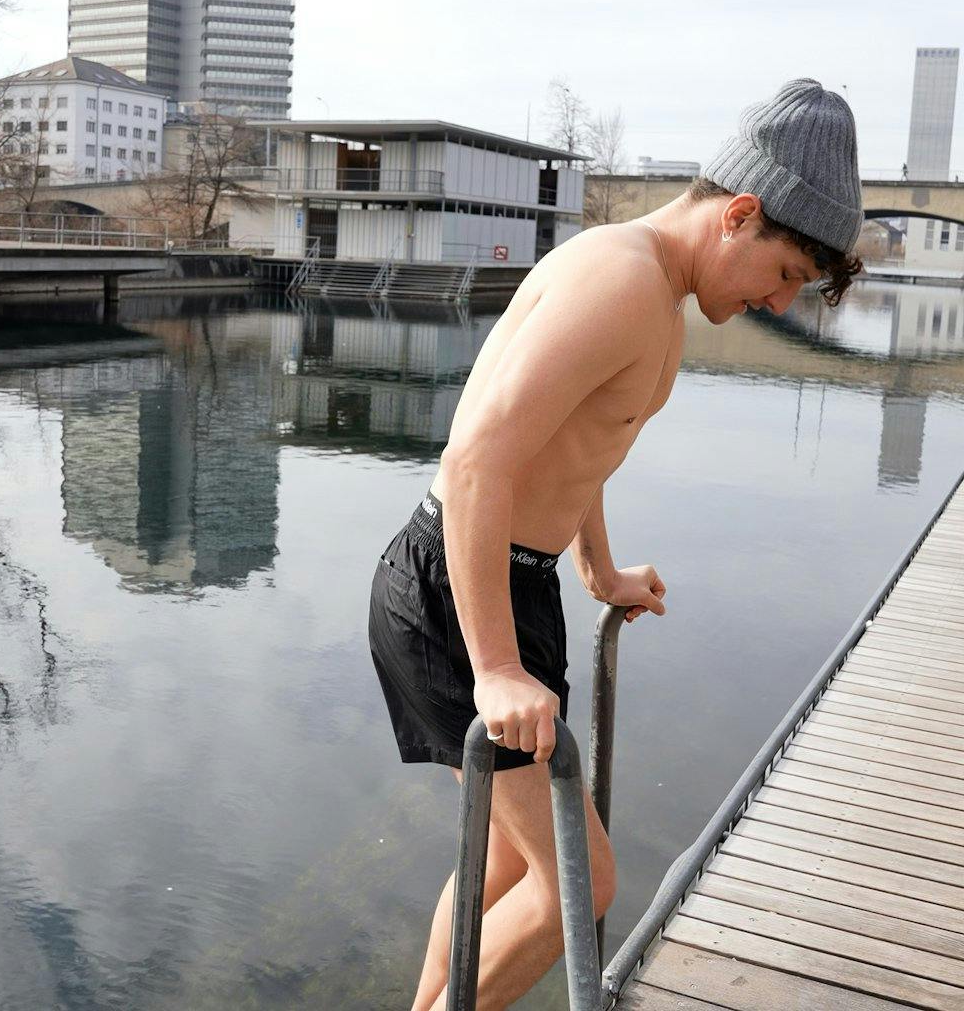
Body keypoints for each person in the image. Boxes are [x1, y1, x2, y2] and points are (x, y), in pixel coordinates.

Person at [366, 78, 863, 1011]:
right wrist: (497, 667)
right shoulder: (624, 281)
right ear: (741, 216)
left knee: (515, 866)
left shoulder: (651, 289)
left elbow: (578, 443)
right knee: (579, 883)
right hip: (459, 587)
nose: (778, 301)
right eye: (787, 274)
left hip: (511, 580)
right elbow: (476, 461)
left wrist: (598, 567)